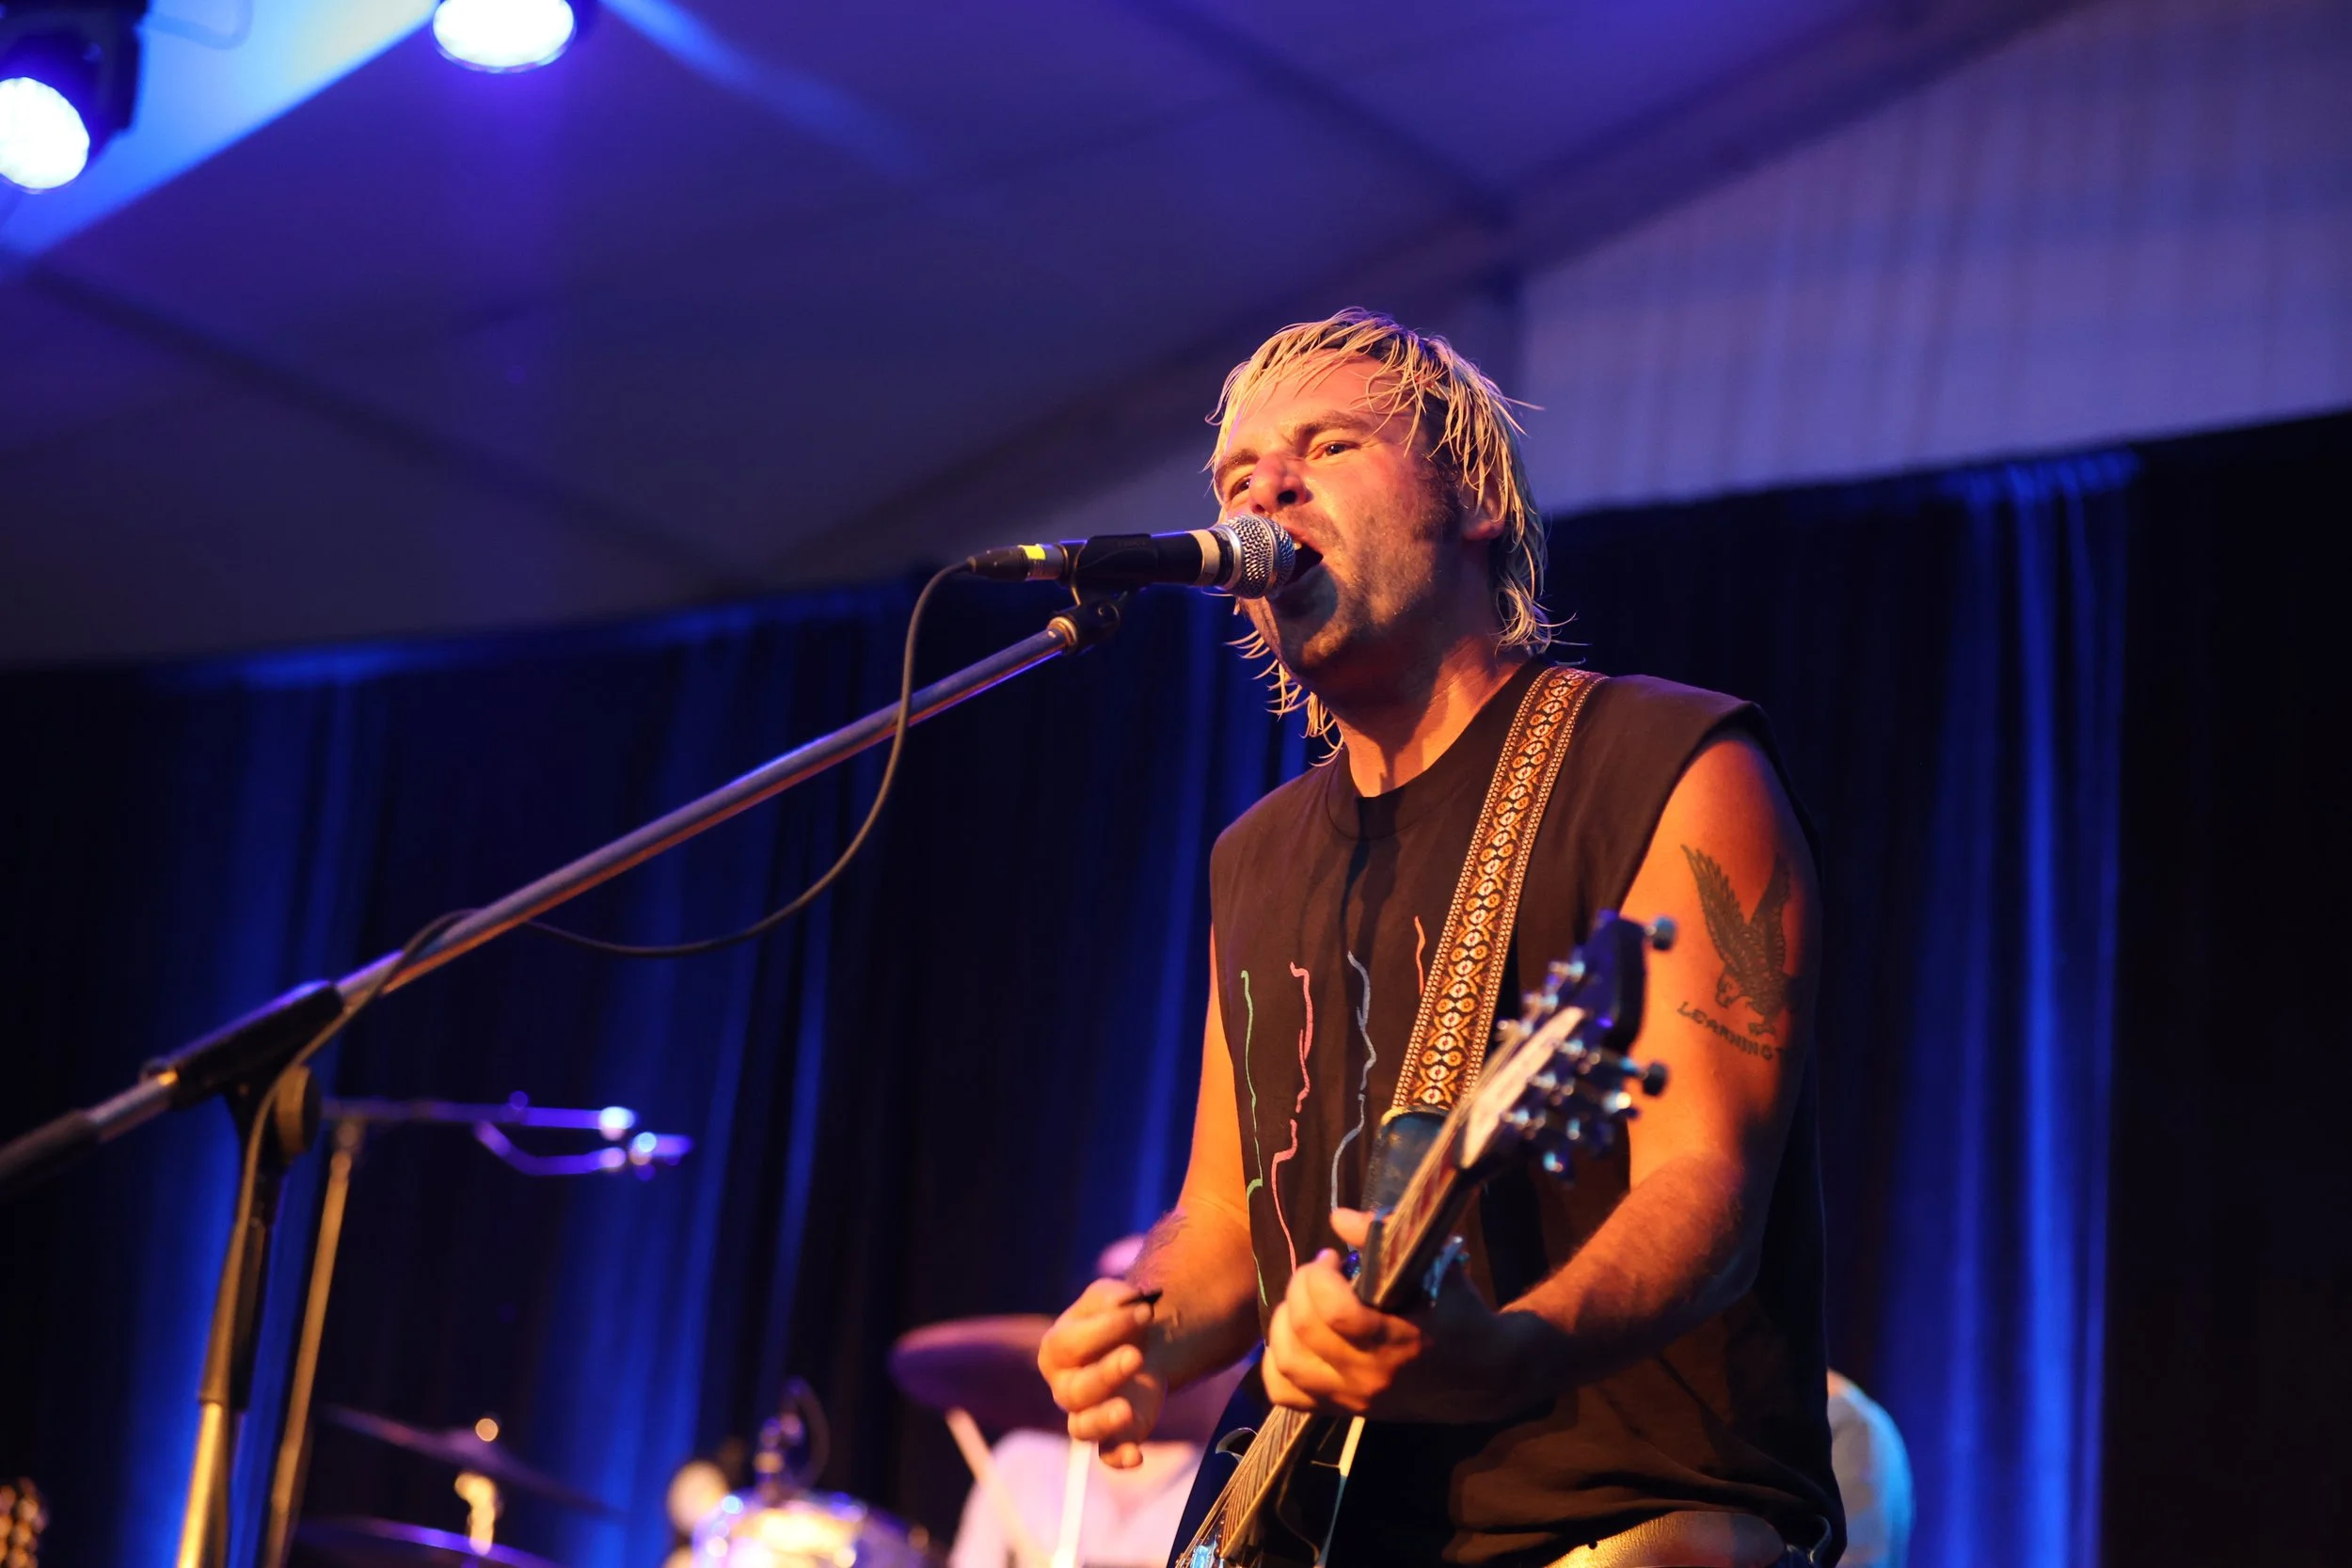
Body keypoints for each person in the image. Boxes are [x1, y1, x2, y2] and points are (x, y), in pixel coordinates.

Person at [1038, 309, 1843, 1566]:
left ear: (1473, 496)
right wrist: (1135, 1323)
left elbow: (1709, 1183)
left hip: (1614, 1521)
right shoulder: (1250, 856)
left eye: (1327, 446)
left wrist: (1513, 1346)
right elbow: (1225, 1230)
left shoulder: (1672, 762)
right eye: (1239, 476)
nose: (1269, 488)